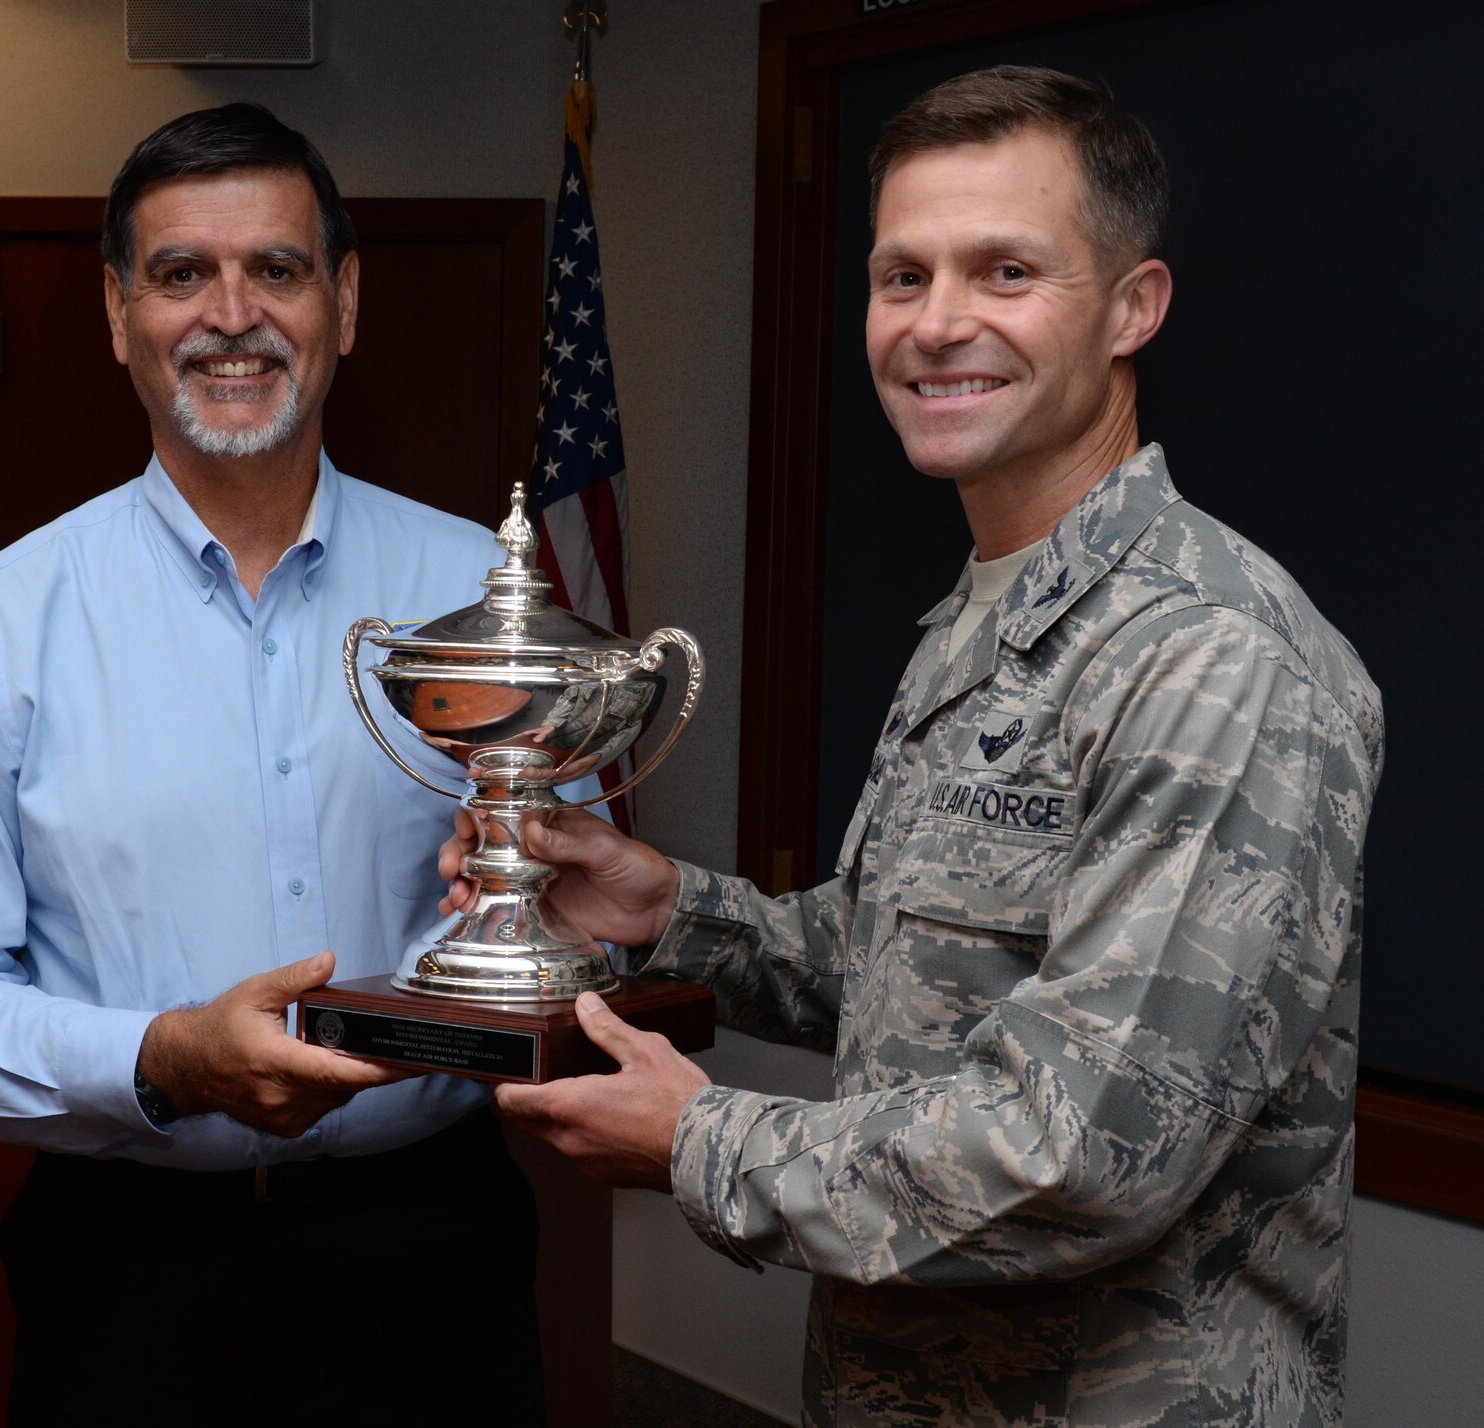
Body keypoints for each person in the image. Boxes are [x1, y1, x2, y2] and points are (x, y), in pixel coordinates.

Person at [445, 67, 1384, 1427]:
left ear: (1135, 308)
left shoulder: (1213, 658)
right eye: (903, 277)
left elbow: (1088, 1150)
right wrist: (670, 915)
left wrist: (701, 1141)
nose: (939, 326)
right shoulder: (982, 615)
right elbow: (919, 978)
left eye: (1006, 272)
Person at [0, 103, 557, 1424]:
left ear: (343, 301)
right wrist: (163, 1056)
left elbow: (559, 916)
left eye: (277, 269)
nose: (233, 314)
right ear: (118, 315)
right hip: (129, 1273)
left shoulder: (478, 585)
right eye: (182, 275)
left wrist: (548, 896)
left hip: (434, 1255)